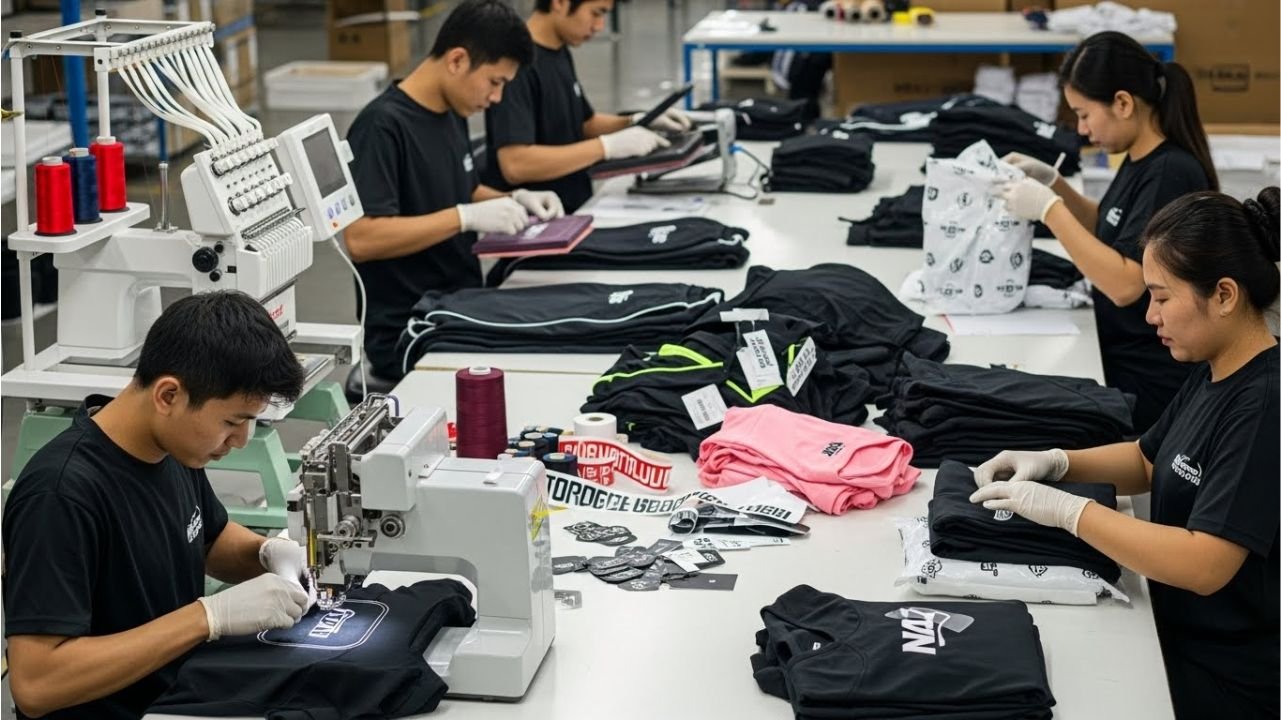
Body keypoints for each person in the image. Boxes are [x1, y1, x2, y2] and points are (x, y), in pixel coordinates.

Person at [969, 188, 1279, 719]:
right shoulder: (1216, 367)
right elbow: (1148, 461)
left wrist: (1070, 512)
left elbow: (1206, 564)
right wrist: (1056, 461)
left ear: (1224, 295)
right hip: (1168, 627)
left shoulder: (1266, 404)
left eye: (1162, 297)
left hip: (1225, 675)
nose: (1150, 313)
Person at [4, 291, 316, 719]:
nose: (241, 441)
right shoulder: (61, 496)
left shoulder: (172, 448)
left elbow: (205, 537)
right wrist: (208, 617)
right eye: (232, 421)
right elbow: (37, 684)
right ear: (168, 395)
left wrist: (266, 555)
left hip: (177, 697)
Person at [997, 31, 1217, 432]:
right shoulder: (1139, 158)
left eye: (1083, 114)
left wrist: (1049, 210)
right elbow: (1110, 225)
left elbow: (1127, 283)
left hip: (1147, 379)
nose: (1080, 129)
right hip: (1116, 349)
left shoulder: (1170, 171)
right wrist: (1053, 184)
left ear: (1122, 103)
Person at [344, 0, 564, 381]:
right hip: (410, 328)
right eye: (495, 82)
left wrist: (512, 199)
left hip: (459, 306)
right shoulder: (381, 127)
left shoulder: (451, 112)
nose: (496, 98)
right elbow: (363, 238)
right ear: (458, 60)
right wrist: (464, 217)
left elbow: (461, 187)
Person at [483, 0, 692, 214]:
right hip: (538, 221)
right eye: (596, 13)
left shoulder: (557, 50)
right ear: (559, 3)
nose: (599, 25)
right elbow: (516, 165)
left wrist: (636, 121)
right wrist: (606, 147)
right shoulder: (516, 67)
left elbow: (584, 123)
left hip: (577, 209)